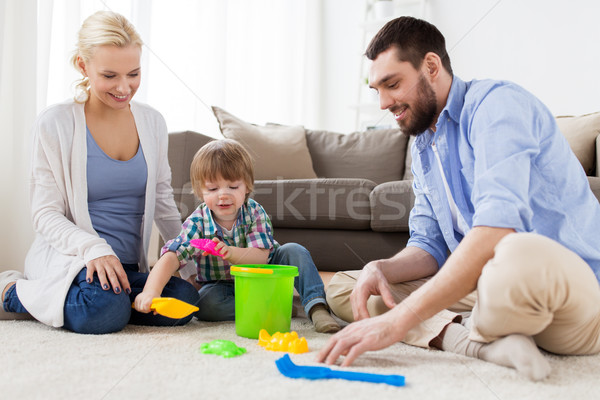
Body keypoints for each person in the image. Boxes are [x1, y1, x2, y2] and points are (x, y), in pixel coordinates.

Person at [317, 16, 600, 381]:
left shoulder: (496, 106)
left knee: (512, 251)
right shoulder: (422, 146)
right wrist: (382, 269)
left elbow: (495, 231)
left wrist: (399, 324)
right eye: (377, 90)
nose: (384, 102)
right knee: (350, 287)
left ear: (431, 66)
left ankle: (472, 324)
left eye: (392, 84)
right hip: (489, 287)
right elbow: (429, 245)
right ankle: (478, 342)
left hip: (570, 292)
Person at [0, 11, 199, 333]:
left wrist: (190, 266)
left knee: (186, 300)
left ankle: (110, 298)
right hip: (74, 261)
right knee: (104, 312)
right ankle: (12, 291)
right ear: (83, 66)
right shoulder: (56, 123)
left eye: (133, 74)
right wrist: (95, 249)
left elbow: (163, 201)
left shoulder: (152, 122)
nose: (124, 87)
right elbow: (45, 214)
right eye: (110, 76)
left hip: (128, 268)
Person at [134, 139, 341, 333]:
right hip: (222, 285)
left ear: (247, 187)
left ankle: (317, 307)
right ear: (200, 191)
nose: (223, 194)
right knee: (205, 304)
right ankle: (272, 308)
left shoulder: (254, 212)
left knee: (294, 251)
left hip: (265, 276)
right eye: (213, 188)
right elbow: (172, 255)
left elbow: (260, 257)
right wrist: (151, 291)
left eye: (233, 187)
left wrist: (231, 253)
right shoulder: (197, 222)